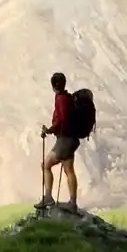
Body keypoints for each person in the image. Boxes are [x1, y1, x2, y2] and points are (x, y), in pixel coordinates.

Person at [39, 72, 81, 212]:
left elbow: (61, 119)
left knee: (46, 165)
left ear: (53, 86)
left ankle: (49, 197)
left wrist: (49, 130)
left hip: (64, 140)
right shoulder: (68, 98)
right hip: (72, 139)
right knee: (69, 170)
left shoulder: (60, 99)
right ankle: (73, 203)